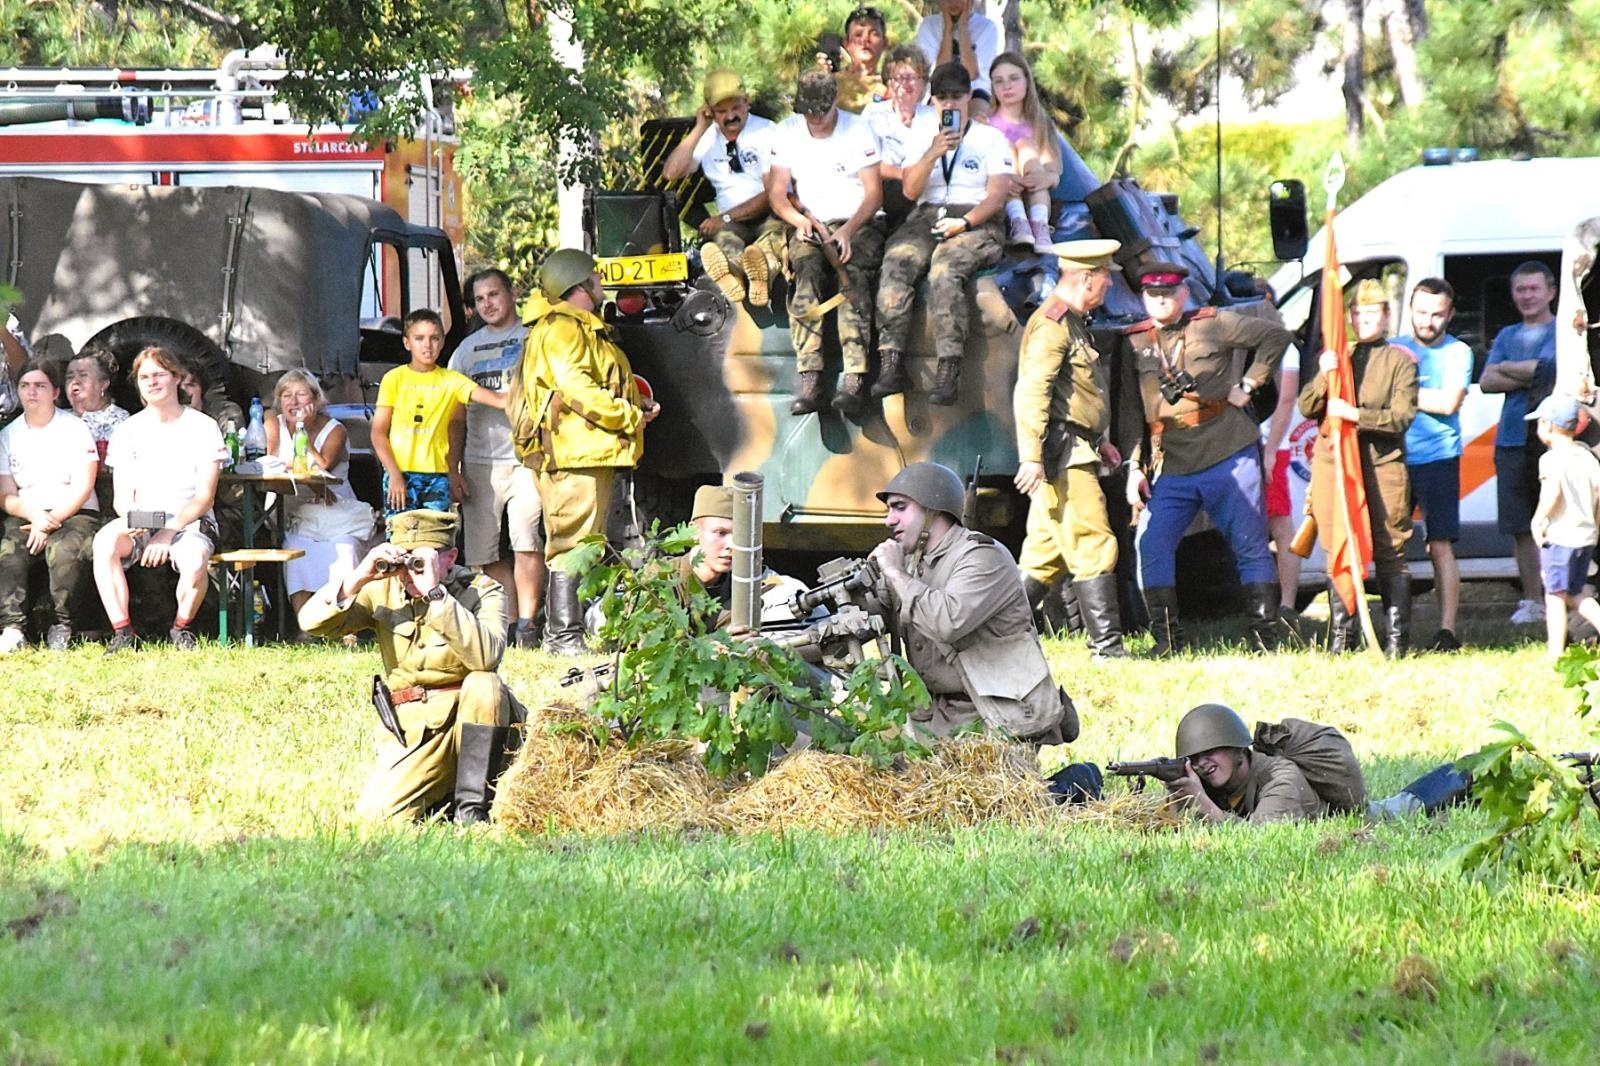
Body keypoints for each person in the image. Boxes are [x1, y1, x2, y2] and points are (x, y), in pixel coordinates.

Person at [297, 509, 523, 824]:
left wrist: (436, 595)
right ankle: (442, 796)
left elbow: (486, 657)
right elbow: (311, 624)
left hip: (475, 717)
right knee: (376, 819)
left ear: (450, 558)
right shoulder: (382, 589)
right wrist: (358, 577)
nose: (410, 573)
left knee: (484, 684)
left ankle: (473, 811)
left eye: (422, 562)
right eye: (405, 563)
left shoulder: (482, 589)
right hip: (416, 726)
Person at [1122, 261, 1292, 654]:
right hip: (1173, 463)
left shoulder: (1213, 323)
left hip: (1227, 450)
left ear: (1183, 294)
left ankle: (1264, 640)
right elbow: (1132, 411)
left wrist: (1250, 384)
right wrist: (1134, 466)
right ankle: (1167, 641)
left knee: (1250, 545)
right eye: (1153, 294)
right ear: (1143, 297)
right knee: (1152, 544)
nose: (1161, 300)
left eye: (1169, 293)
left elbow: (1275, 337)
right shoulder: (1134, 341)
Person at [509, 248, 658, 655]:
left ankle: (568, 634)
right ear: (577, 284)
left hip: (588, 450)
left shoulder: (582, 326)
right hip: (574, 452)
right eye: (593, 276)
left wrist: (636, 406)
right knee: (571, 542)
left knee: (585, 541)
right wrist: (626, 417)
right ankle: (562, 637)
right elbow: (576, 387)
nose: (600, 281)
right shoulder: (562, 328)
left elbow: (598, 383)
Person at [866, 461, 1074, 745]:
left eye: (900, 508)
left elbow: (947, 622)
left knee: (957, 788)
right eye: (889, 510)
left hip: (993, 714)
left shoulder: (982, 558)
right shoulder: (915, 564)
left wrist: (895, 572)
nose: (889, 520)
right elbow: (873, 611)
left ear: (932, 510)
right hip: (936, 712)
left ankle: (1070, 784)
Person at [1012, 239, 1130, 659]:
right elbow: (1032, 391)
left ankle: (1003, 642)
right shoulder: (1052, 324)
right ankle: (1107, 648)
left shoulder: (1074, 321)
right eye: (1105, 279)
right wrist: (1031, 455)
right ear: (1085, 278)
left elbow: (1078, 392)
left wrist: (1103, 441)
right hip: (1064, 454)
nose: (1108, 287)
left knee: (1043, 554)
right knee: (1094, 543)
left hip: (1078, 446)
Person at [872, 61, 1012, 407]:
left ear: (968, 97)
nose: (949, 104)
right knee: (896, 261)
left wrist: (964, 224)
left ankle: (948, 368)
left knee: (945, 269)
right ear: (932, 100)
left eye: (956, 96)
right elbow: (909, 189)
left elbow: (997, 196)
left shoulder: (990, 138)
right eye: (942, 98)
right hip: (929, 212)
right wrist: (933, 153)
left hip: (975, 216)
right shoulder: (921, 133)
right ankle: (891, 361)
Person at [1297, 279, 1419, 656]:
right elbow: (1306, 406)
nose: (1364, 320)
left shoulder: (1400, 360)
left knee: (1389, 550)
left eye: (1372, 313)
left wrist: (1354, 415)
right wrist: (1323, 372)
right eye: (1358, 313)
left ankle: (1396, 641)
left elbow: (1401, 418)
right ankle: (1342, 638)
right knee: (1339, 549)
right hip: (1337, 468)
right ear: (1348, 316)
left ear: (1385, 316)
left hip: (1382, 466)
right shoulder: (1338, 355)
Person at [92, 346, 228, 653]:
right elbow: (122, 497)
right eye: (144, 377)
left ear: (177, 378)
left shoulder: (203, 427)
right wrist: (138, 524)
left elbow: (205, 497)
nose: (152, 382)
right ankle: (123, 633)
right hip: (144, 517)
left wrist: (167, 533)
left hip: (190, 519)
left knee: (194, 561)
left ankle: (181, 628)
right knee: (104, 543)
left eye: (159, 375)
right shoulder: (128, 430)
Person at [765, 68, 885, 416]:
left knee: (854, 274)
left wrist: (848, 230)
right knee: (805, 271)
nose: (815, 118)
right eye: (809, 111)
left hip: (857, 220)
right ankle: (810, 375)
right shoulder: (787, 132)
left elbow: (873, 194)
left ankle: (854, 376)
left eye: (821, 110)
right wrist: (799, 221)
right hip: (811, 222)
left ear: (835, 102)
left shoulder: (858, 129)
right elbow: (777, 193)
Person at [448, 270, 547, 648]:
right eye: (479, 299)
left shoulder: (534, 339)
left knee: (527, 542)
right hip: (479, 462)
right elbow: (455, 416)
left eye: (494, 294)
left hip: (526, 459)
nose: (487, 304)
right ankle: (505, 623)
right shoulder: (465, 351)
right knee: (485, 553)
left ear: (512, 293)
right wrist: (453, 468)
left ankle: (528, 625)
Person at [1393, 278, 1473, 651]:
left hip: (1439, 456)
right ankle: (1395, 627)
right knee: (1388, 545)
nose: (1428, 321)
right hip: (1394, 458)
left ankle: (1447, 630)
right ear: (1409, 309)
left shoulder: (1458, 352)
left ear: (1450, 314)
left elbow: (1448, 403)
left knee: (1439, 543)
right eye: (1422, 312)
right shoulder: (1394, 348)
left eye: (1437, 314)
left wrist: (1401, 394)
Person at [0, 360, 100, 653]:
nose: (32, 392)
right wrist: (35, 516)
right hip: (28, 513)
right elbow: (6, 494)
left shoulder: (75, 428)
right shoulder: (8, 435)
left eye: (40, 385)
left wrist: (51, 519)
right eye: (25, 386)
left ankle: (63, 625)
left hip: (74, 511)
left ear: (55, 392)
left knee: (64, 551)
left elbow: (84, 485)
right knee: (9, 550)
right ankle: (13, 627)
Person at [1480, 261, 1560, 625]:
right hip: (1511, 440)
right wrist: (1535, 370)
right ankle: (1533, 600)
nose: (1526, 296)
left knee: (1560, 521)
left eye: (1533, 289)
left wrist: (1510, 368)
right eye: (1520, 290)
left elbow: (1557, 373)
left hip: (1557, 441)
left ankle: (1563, 596)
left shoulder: (1565, 332)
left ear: (1551, 291)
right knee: (1521, 525)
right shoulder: (1507, 335)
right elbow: (1487, 381)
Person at [660, 70, 781, 307]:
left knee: (770, 242)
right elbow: (671, 173)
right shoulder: (708, 136)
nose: (731, 116)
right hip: (732, 223)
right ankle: (734, 274)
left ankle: (760, 275)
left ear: (747, 103)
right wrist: (699, 128)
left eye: (736, 107)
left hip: (769, 214)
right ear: (710, 111)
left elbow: (772, 193)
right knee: (726, 241)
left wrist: (724, 216)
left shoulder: (767, 131)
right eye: (722, 111)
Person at [371, 308, 507, 518]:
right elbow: (378, 433)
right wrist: (394, 474)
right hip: (400, 474)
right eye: (419, 338)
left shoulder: (451, 380)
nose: (427, 345)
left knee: (435, 542)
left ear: (443, 342)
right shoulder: (393, 379)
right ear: (407, 343)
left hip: (437, 476)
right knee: (400, 542)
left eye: (434, 338)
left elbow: (498, 400)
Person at [263, 368, 374, 621]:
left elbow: (321, 465)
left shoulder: (336, 430)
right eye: (286, 395)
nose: (293, 401)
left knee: (344, 550)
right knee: (296, 549)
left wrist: (301, 433)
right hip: (290, 510)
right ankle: (307, 625)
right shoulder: (271, 420)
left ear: (315, 399)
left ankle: (346, 624)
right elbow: (270, 459)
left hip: (333, 513)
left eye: (301, 394)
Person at [1163, 704, 1328, 824]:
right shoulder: (1212, 782)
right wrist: (1178, 799)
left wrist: (1201, 802)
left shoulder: (1280, 779)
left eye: (1209, 752)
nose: (1201, 763)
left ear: (1239, 748)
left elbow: (1262, 837)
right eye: (1194, 758)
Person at [1526, 394, 1600, 660]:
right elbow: (1598, 494)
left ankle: (1555, 654)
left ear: (1546, 425)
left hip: (1561, 536)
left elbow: (1551, 492)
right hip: (1585, 536)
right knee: (1576, 592)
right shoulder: (1587, 457)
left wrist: (1539, 519)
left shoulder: (1551, 459)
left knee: (1555, 596)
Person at [986, 52, 1063, 254]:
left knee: (1027, 146)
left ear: (1027, 81)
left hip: (1033, 189)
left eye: (1013, 78)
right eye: (998, 81)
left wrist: (1043, 179)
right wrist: (1005, 179)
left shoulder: (1040, 122)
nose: (1006, 86)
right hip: (1002, 190)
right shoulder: (985, 122)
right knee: (1008, 146)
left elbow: (1053, 168)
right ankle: (1018, 221)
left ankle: (1039, 226)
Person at [862, 45, 934, 231]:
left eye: (911, 78)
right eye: (897, 78)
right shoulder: (874, 113)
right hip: (885, 191)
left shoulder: (933, 116)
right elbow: (866, 161)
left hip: (924, 192)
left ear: (923, 82)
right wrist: (906, 175)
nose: (904, 84)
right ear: (888, 82)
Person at [64, 347, 130, 514]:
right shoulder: (57, 418)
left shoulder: (122, 422)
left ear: (103, 383)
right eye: (70, 377)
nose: (75, 382)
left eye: (83, 375)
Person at [914, 0, 1000, 117]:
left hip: (975, 89)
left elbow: (971, 74)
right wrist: (947, 28)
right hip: (941, 89)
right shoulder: (928, 26)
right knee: (934, 118)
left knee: (978, 117)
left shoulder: (987, 27)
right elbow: (941, 73)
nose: (953, 2)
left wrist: (962, 27)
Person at [835, 5, 890, 112]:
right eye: (858, 34)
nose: (865, 40)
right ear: (846, 44)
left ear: (885, 43)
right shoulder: (831, 83)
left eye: (874, 34)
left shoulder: (893, 88)